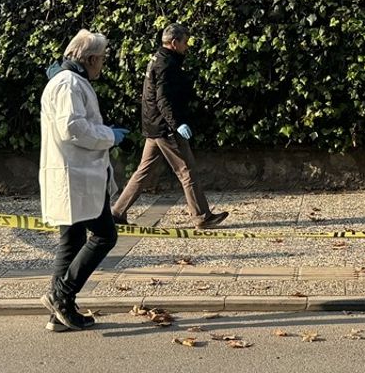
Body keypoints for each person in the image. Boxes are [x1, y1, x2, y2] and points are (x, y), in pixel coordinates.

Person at [39, 29, 126, 332]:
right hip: (77, 176)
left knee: (72, 240)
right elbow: (73, 128)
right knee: (105, 236)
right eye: (100, 59)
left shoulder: (68, 81)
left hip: (77, 176)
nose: (102, 64)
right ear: (89, 59)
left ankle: (59, 313)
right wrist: (109, 136)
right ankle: (61, 295)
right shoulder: (68, 84)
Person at [111, 23, 228, 229]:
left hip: (154, 125)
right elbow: (163, 99)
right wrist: (177, 124)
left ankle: (117, 212)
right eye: (184, 42)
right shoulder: (167, 64)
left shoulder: (158, 59)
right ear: (174, 43)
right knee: (186, 169)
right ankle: (202, 216)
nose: (187, 47)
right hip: (165, 127)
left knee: (144, 171)